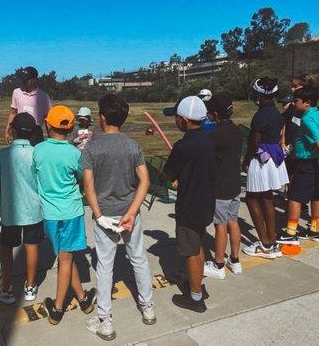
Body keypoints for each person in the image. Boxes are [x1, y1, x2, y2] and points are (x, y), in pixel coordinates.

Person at [83, 94, 154, 341]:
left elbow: (88, 187)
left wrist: (100, 216)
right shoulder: (133, 145)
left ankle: (105, 321)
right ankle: (148, 308)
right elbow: (145, 181)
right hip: (129, 212)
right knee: (139, 258)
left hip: (106, 214)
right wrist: (132, 212)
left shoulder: (92, 147)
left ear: (102, 117)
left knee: (105, 266)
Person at [33, 105, 96, 325]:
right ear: (71, 128)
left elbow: (36, 174)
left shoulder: (38, 150)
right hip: (70, 212)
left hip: (50, 214)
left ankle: (82, 299)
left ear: (47, 124)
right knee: (66, 258)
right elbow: (82, 177)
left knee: (65, 257)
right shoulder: (73, 153)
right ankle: (58, 308)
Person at [161, 96, 215, 313]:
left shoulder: (183, 146)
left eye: (176, 117)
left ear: (184, 120)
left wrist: (173, 173)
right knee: (199, 246)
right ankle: (197, 285)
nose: (175, 121)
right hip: (206, 203)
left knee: (191, 251)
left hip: (189, 205)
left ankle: (195, 298)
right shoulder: (208, 139)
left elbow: (166, 174)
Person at [276, 88, 319, 245]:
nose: (294, 103)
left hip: (306, 162)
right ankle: (315, 229)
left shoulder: (308, 119)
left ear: (307, 103)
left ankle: (291, 233)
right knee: (316, 195)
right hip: (318, 163)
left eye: (296, 101)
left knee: (294, 196)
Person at [0, 113, 44, 304]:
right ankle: (30, 286)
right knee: (32, 246)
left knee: (7, 249)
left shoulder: (4, 154)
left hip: (11, 210)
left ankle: (6, 288)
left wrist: (5, 194)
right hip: (33, 208)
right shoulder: (36, 153)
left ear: (13, 130)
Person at [242, 77, 289, 259]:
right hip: (274, 157)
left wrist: (246, 160)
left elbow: (255, 140)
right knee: (267, 197)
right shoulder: (276, 113)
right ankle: (271, 240)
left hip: (261, 158)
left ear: (259, 94)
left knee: (252, 198)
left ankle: (265, 243)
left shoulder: (260, 115)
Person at [203, 94, 243, 280]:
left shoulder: (214, 135)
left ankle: (218, 264)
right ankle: (235, 260)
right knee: (233, 222)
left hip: (220, 186)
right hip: (235, 184)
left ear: (215, 114)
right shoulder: (237, 131)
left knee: (220, 225)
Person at [4, 66, 52, 146]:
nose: (24, 82)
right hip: (20, 131)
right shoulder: (17, 92)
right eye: (23, 79)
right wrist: (7, 131)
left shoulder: (43, 96)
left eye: (27, 79)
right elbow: (13, 113)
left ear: (34, 79)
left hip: (36, 133)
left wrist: (51, 138)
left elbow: (47, 118)